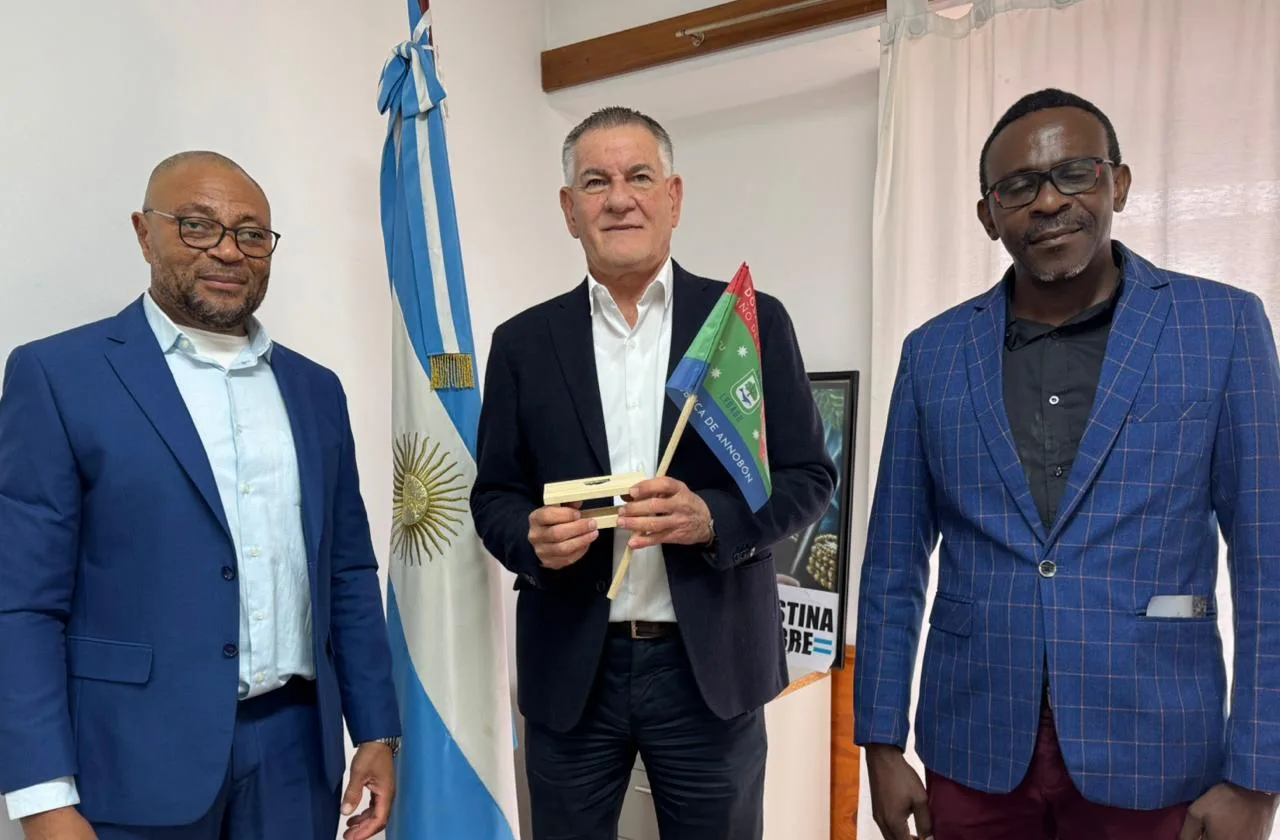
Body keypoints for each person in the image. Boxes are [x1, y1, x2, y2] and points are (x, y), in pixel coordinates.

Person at [854, 87, 1280, 840]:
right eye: (1018, 187)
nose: (1049, 201)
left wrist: (1259, 774)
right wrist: (881, 743)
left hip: (1156, 746)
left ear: (1119, 183)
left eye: (1075, 173)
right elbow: (893, 562)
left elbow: (1267, 558)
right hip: (972, 745)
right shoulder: (932, 353)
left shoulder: (1221, 326)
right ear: (988, 215)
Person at [0, 151, 401, 840]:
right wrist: (41, 797)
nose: (228, 251)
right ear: (144, 232)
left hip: (294, 758)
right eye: (197, 225)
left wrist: (376, 730)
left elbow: (348, 573)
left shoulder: (315, 390)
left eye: (251, 234)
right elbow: (21, 602)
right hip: (130, 760)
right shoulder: (57, 375)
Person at [470, 106, 835, 840]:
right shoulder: (522, 343)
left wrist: (713, 519)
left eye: (639, 176)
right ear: (569, 209)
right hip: (572, 668)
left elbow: (808, 477)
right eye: (595, 182)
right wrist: (529, 537)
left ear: (673, 196)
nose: (619, 198)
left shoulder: (747, 324)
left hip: (710, 670)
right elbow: (495, 495)